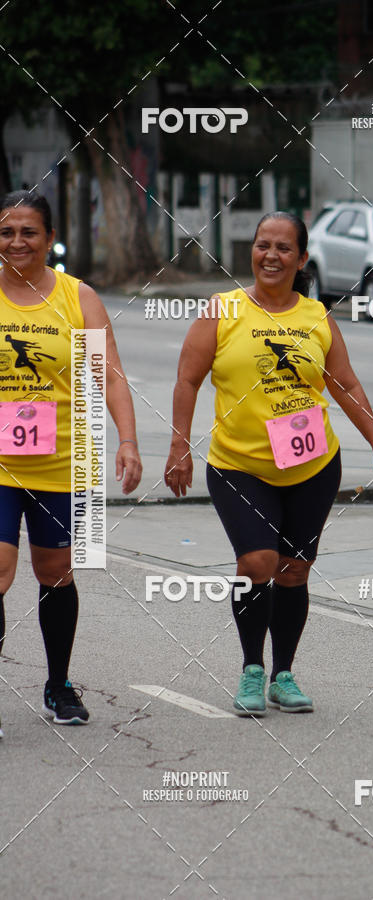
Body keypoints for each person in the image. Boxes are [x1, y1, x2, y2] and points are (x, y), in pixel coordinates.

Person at [165, 211, 373, 716]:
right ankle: (252, 668)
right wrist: (179, 446)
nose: (270, 255)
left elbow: (347, 386)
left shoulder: (316, 317)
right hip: (239, 465)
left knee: (294, 571)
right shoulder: (222, 310)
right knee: (258, 563)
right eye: (262, 245)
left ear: (301, 258)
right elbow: (187, 380)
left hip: (314, 466)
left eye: (283, 248)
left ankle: (283, 674)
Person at [0, 190, 142, 736]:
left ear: (50, 238)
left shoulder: (78, 297)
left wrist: (127, 441)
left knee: (56, 572)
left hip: (68, 459)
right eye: (7, 232)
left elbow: (108, 375)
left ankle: (59, 685)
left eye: (28, 232)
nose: (17, 242)